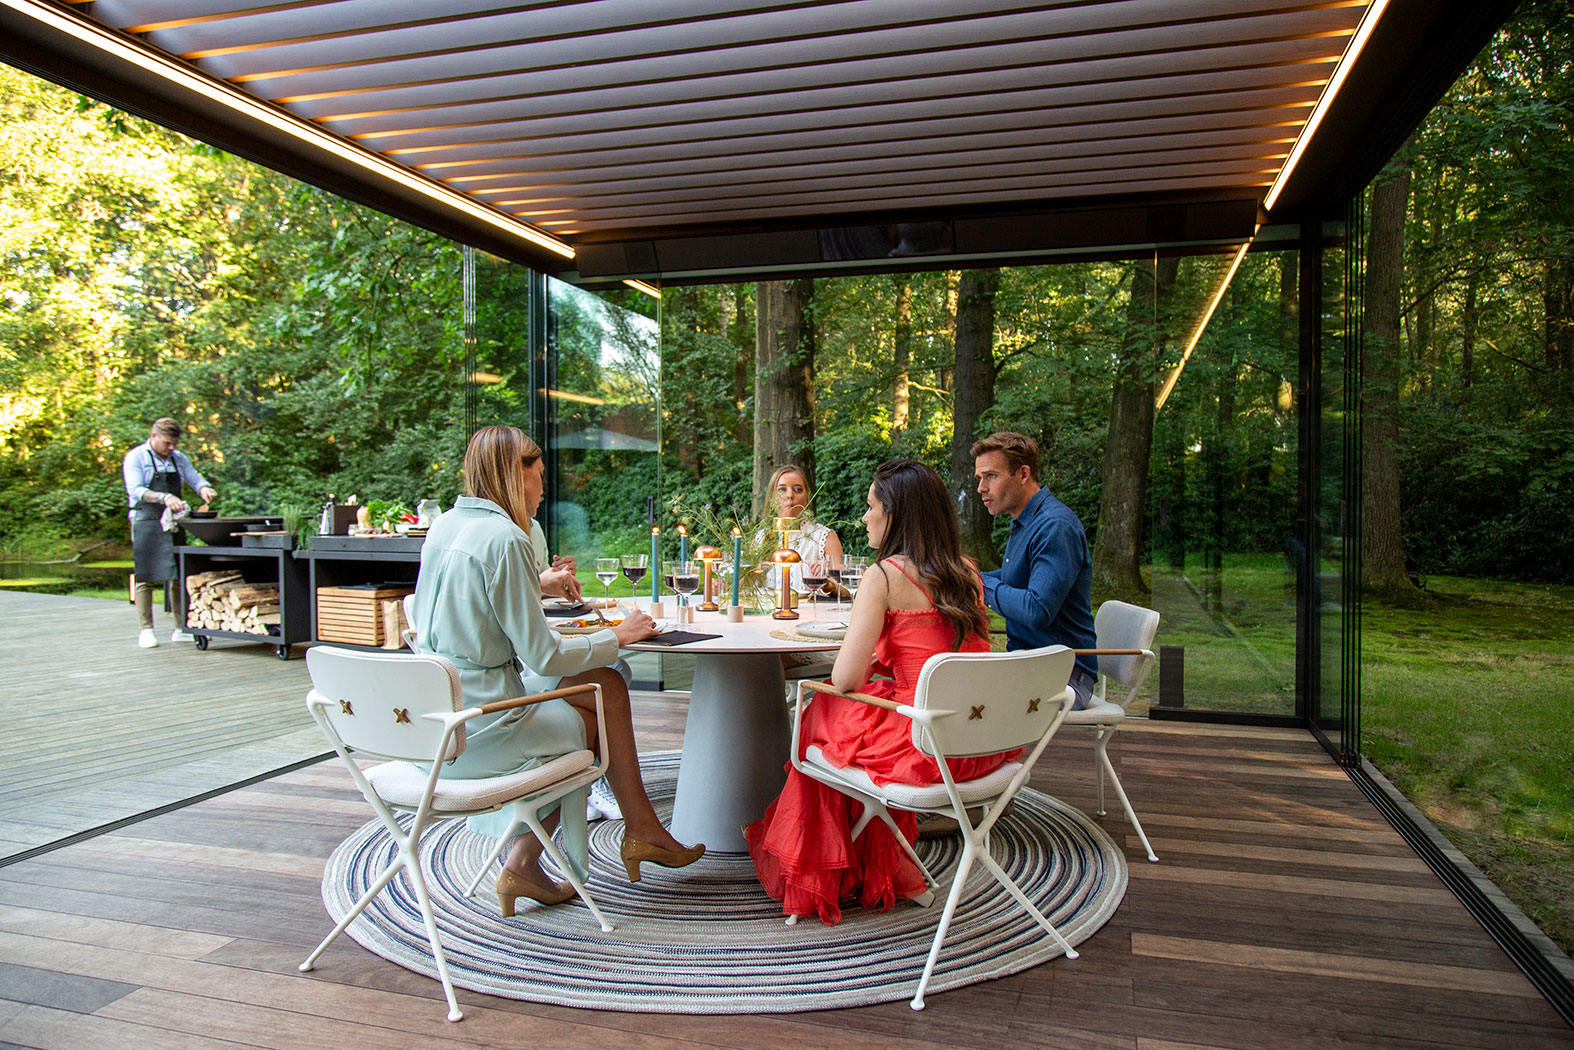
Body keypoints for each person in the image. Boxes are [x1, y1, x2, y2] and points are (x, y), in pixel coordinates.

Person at [411, 425, 703, 916]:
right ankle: (632, 835)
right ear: (513, 473)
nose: (543, 488)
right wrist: (620, 636)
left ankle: (589, 845)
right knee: (598, 710)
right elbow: (542, 658)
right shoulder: (505, 537)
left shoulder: (444, 525)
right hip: (478, 727)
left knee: (604, 685)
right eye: (538, 476)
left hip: (433, 715)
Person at [744, 459, 1019, 925]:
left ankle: (825, 869)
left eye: (872, 507)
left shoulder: (885, 576)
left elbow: (847, 679)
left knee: (820, 712)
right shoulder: (967, 571)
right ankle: (865, 855)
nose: (865, 518)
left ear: (895, 514)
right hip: (978, 740)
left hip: (923, 745)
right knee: (839, 721)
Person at [971, 431, 1098, 709]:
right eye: (979, 478)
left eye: (991, 476)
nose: (981, 488)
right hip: (1030, 665)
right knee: (953, 691)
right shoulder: (1026, 521)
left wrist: (977, 584)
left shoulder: (1055, 526)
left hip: (1064, 677)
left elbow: (1036, 609)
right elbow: (1010, 579)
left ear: (1023, 474)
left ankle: (1000, 754)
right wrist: (962, 574)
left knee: (962, 704)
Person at [122, 417, 217, 649]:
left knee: (177, 573)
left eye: (174, 443)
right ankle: (146, 630)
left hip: (173, 522)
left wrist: (203, 486)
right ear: (154, 437)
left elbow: (193, 476)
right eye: (167, 443)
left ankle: (180, 627)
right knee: (146, 574)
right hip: (145, 519)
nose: (171, 448)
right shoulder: (136, 457)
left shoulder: (178, 458)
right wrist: (164, 497)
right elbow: (135, 490)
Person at [759, 464, 844, 594]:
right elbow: (743, 587)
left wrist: (828, 584)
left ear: (806, 498)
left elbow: (845, 591)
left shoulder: (825, 538)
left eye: (798, 489)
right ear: (772, 498)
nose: (790, 495)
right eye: (782, 490)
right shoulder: (760, 538)